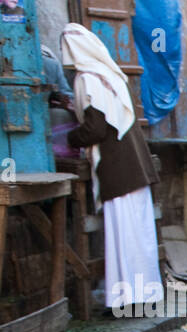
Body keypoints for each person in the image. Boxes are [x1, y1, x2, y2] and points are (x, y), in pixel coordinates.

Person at [60, 24, 162, 313]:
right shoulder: (108, 73)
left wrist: (69, 137)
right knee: (138, 233)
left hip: (117, 166)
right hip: (133, 164)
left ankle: (126, 300)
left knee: (123, 234)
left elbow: (95, 128)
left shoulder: (87, 79)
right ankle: (144, 294)